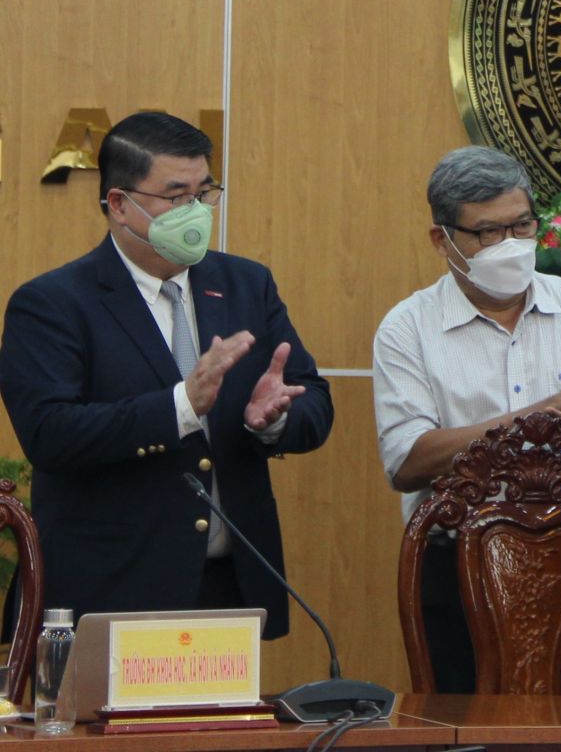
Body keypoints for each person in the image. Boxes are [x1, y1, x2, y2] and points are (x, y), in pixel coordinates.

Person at [0, 112, 332, 639]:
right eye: (175, 196)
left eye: (204, 192)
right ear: (119, 204)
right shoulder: (53, 303)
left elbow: (313, 398)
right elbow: (50, 434)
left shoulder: (246, 283)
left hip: (226, 589)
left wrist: (274, 420)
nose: (195, 211)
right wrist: (181, 406)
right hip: (112, 593)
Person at [373, 145, 561, 692]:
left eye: (521, 226)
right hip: (457, 565)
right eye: (487, 233)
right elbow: (408, 461)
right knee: (468, 722)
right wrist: (528, 419)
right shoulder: (407, 329)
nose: (509, 245)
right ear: (443, 241)